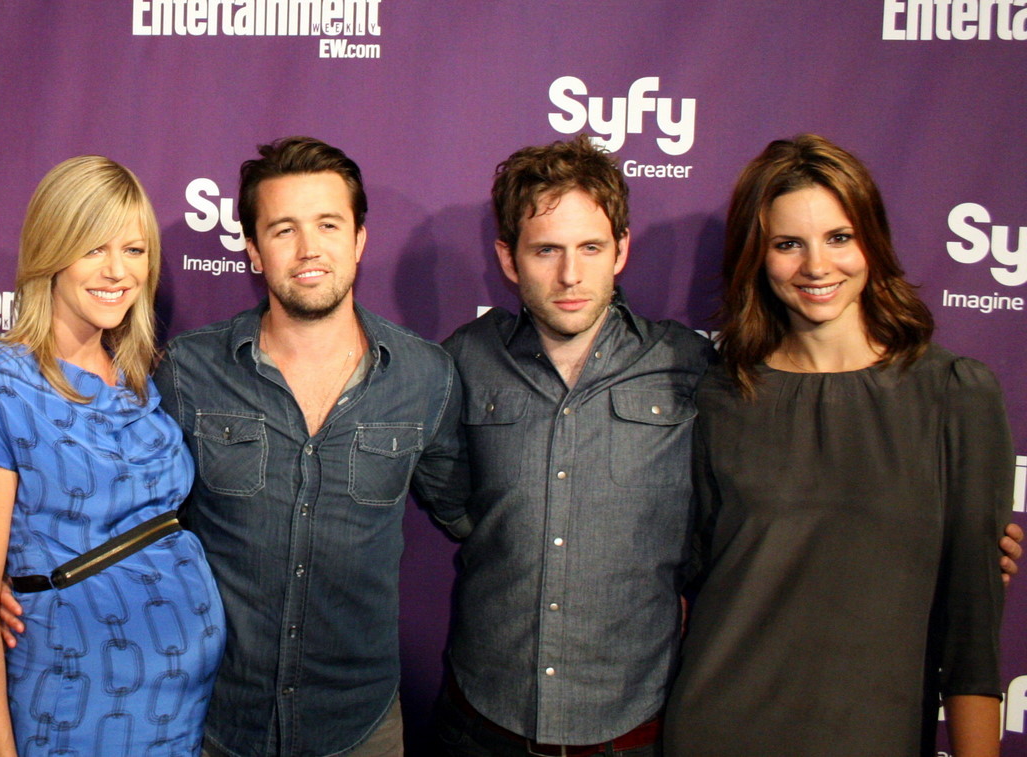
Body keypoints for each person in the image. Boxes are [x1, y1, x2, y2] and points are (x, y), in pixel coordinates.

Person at [663, 135, 1012, 757]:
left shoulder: (955, 394)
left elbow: (972, 642)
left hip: (875, 732)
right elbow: (681, 570)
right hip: (719, 725)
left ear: (871, 241)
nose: (817, 266)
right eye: (787, 244)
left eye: (839, 237)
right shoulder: (719, 395)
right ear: (757, 257)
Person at [156, 136, 463, 757]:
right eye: (283, 229)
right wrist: (27, 580)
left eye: (328, 224)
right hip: (217, 721)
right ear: (252, 249)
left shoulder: (426, 376)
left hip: (359, 724)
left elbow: (469, 514)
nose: (308, 249)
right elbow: (132, 518)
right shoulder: (189, 371)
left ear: (359, 239)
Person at [418, 135, 711, 756]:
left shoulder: (685, 364)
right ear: (509, 258)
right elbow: (448, 494)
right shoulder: (464, 359)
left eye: (591, 248)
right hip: (482, 723)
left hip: (631, 727)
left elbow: (718, 516)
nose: (570, 275)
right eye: (546, 250)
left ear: (621, 249)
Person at [0, 156, 224, 756]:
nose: (118, 271)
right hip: (73, 701)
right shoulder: (0, 393)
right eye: (94, 248)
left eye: (134, 250)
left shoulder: (136, 377)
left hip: (181, 709)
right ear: (52, 251)